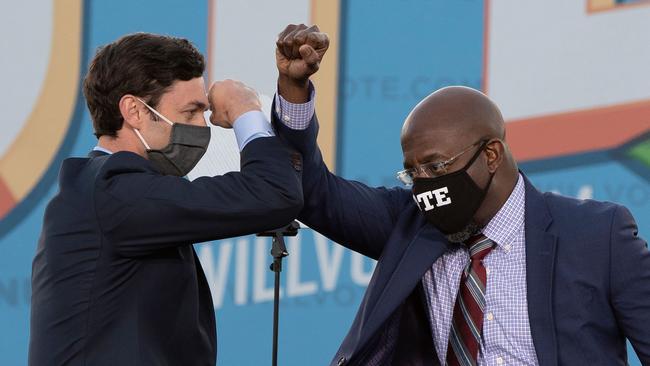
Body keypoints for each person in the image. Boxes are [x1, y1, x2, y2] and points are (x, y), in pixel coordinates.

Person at [271, 24, 650, 365]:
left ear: (491, 155)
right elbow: (313, 191)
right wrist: (294, 92)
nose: (425, 184)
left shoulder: (597, 235)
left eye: (436, 168)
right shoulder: (411, 225)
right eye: (413, 172)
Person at [29, 33, 303, 366]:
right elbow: (274, 194)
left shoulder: (112, 190)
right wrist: (246, 112)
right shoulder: (115, 191)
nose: (203, 126)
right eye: (190, 112)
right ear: (134, 110)